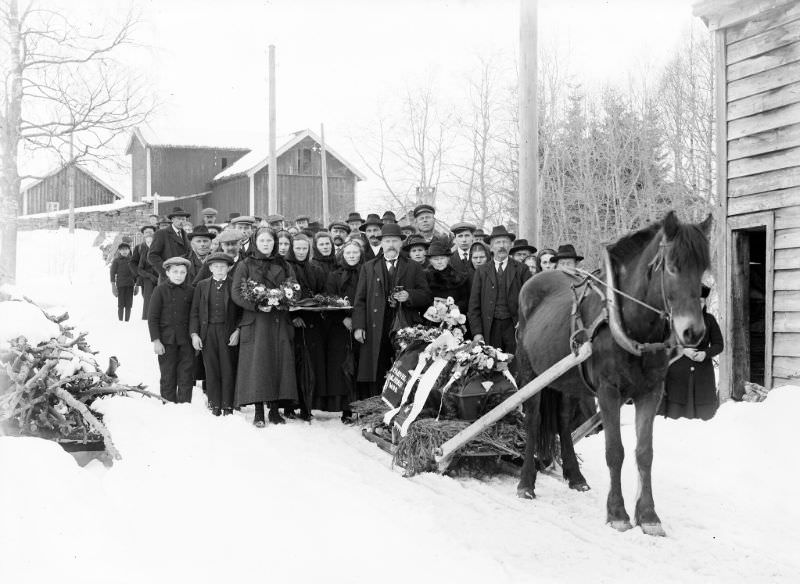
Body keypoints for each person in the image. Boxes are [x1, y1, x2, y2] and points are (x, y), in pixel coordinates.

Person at [353, 223, 432, 396]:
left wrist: (409, 296)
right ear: (381, 243)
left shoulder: (413, 266)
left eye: (395, 241)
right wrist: (358, 326)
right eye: (387, 241)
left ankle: (398, 408)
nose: (391, 245)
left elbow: (426, 295)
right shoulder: (369, 267)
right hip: (376, 325)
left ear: (401, 243)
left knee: (403, 367)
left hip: (403, 324)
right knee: (377, 366)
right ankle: (375, 407)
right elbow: (360, 299)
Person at [231, 227, 298, 426]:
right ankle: (259, 411)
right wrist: (257, 305)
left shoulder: (284, 264)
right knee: (258, 365)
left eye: (270, 240)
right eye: (262, 241)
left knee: (278, 363)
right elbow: (236, 293)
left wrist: (283, 299)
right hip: (256, 321)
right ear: (255, 242)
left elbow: (294, 288)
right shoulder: (245, 264)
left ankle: (275, 410)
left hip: (278, 321)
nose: (266, 244)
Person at [661, 285, 724, 421]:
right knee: (677, 419)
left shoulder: (710, 320)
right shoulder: (676, 319)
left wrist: (705, 354)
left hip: (702, 376)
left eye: (701, 302)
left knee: (703, 422)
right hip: (679, 376)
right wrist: (683, 351)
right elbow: (667, 345)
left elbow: (719, 345)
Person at [190, 252, 241, 416]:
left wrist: (238, 331)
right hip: (208, 331)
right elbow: (195, 312)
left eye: (223, 266)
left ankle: (227, 404)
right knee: (211, 368)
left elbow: (242, 312)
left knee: (227, 367)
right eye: (216, 266)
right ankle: (214, 403)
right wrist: (194, 334)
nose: (219, 269)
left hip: (227, 331)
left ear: (229, 268)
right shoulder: (202, 285)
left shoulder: (235, 285)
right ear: (210, 268)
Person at [468, 226, 531, 355]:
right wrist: (477, 332)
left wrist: (523, 322)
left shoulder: (522, 269)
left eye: (505, 242)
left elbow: (529, 300)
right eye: (498, 242)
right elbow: (474, 305)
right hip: (490, 327)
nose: (502, 246)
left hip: (514, 327)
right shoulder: (482, 271)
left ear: (510, 245)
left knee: (515, 365)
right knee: (491, 365)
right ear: (491, 247)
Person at [287, 233, 328, 420]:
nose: (301, 252)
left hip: (313, 321)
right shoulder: (286, 267)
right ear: (292, 249)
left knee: (311, 364)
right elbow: (284, 294)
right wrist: (293, 315)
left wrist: (321, 301)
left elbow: (322, 290)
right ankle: (289, 405)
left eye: (305, 248)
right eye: (298, 248)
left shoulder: (315, 268)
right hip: (294, 322)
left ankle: (307, 405)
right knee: (295, 364)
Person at [148, 257, 195, 403]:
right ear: (167, 273)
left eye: (182, 272)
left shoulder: (191, 291)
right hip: (166, 340)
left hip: (186, 340)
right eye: (175, 272)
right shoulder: (159, 290)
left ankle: (184, 405)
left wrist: (194, 336)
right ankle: (168, 405)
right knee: (167, 374)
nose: (178, 275)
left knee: (186, 375)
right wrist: (156, 341)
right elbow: (153, 317)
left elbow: (195, 315)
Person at [325, 240, 363, 420]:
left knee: (361, 364)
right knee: (344, 366)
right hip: (341, 326)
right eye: (348, 253)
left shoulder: (367, 271)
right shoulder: (334, 275)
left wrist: (357, 320)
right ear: (343, 255)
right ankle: (346, 408)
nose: (352, 256)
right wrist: (343, 318)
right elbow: (330, 298)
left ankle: (362, 404)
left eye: (355, 253)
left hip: (362, 324)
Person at [424, 240, 470, 315]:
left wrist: (456, 308)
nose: (439, 262)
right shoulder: (424, 277)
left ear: (448, 259)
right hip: (430, 319)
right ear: (430, 261)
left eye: (442, 258)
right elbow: (421, 298)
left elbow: (465, 300)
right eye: (436, 259)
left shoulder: (459, 277)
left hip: (454, 318)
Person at [148, 207, 191, 282]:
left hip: (184, 279)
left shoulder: (187, 235)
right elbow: (152, 256)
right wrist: (167, 271)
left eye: (183, 219)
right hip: (167, 279)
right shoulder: (161, 233)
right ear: (172, 219)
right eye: (178, 219)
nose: (181, 221)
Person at [130, 225, 156, 319]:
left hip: (157, 275)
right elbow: (133, 263)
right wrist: (138, 275)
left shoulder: (158, 245)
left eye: (151, 232)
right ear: (143, 235)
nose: (148, 234)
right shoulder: (139, 247)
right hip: (145, 276)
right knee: (146, 297)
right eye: (146, 232)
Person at [110, 242, 136, 322]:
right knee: (121, 304)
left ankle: (127, 321)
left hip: (130, 285)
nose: (124, 251)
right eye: (122, 250)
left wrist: (137, 285)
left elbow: (136, 273)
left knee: (129, 304)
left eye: (126, 249)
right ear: (119, 251)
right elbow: (112, 273)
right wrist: (113, 286)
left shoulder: (133, 260)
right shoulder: (116, 261)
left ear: (129, 250)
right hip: (120, 285)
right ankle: (120, 321)